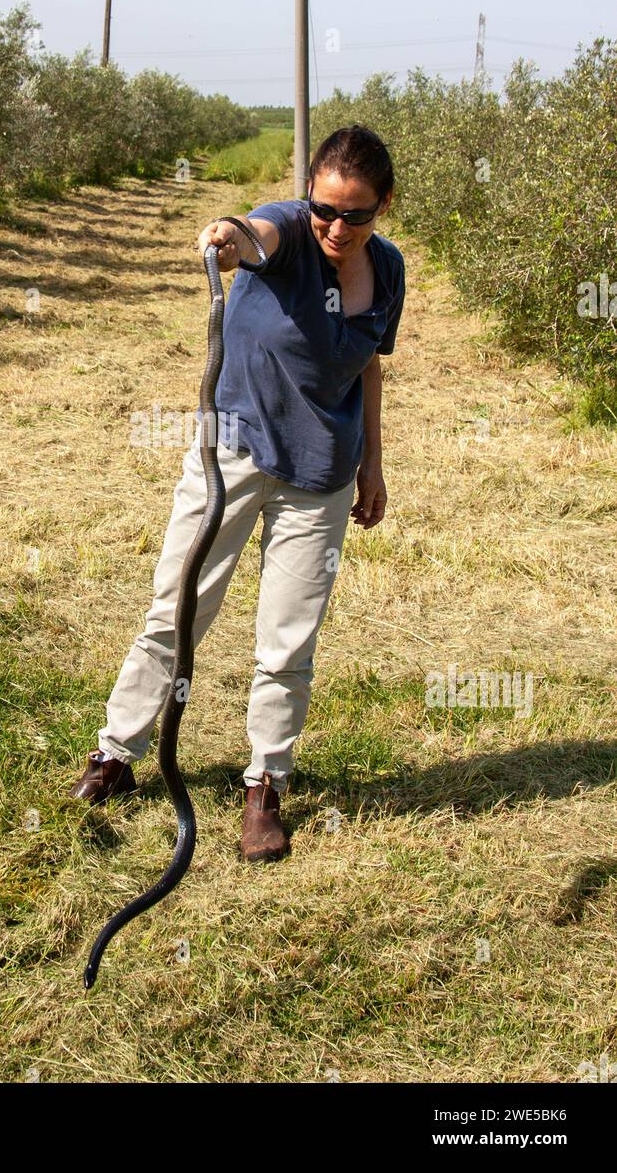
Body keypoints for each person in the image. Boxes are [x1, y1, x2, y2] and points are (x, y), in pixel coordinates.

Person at [69, 124, 405, 863]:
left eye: (357, 214)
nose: (337, 227)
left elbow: (370, 367)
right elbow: (251, 237)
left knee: (287, 640)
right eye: (326, 209)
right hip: (235, 455)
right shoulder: (286, 227)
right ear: (307, 194)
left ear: (383, 207)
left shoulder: (387, 269)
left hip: (320, 474)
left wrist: (372, 465)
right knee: (177, 608)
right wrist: (225, 235)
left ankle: (265, 787)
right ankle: (117, 754)